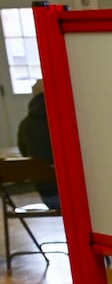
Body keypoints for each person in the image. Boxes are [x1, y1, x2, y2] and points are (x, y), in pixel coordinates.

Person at [16, 81, 60, 210]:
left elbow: (25, 154)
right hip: (72, 194)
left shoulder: (25, 124)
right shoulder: (62, 118)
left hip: (47, 195)